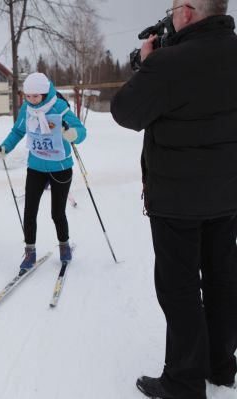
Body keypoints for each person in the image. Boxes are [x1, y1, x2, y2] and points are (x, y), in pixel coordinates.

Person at [110, 1, 237, 398]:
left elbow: (125, 112)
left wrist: (149, 65)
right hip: (228, 193)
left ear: (185, 12)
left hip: (177, 200)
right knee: (222, 279)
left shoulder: (170, 63)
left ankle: (184, 379)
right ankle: (220, 366)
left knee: (179, 287)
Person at [0, 72, 86, 275]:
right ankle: (30, 251)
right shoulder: (27, 109)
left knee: (57, 213)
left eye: (35, 96)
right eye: (28, 96)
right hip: (35, 167)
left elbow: (81, 130)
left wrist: (73, 134)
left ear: (45, 93)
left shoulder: (59, 107)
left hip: (60, 168)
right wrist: (5, 147)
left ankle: (64, 245)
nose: (31, 100)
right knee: (29, 210)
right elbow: (18, 131)